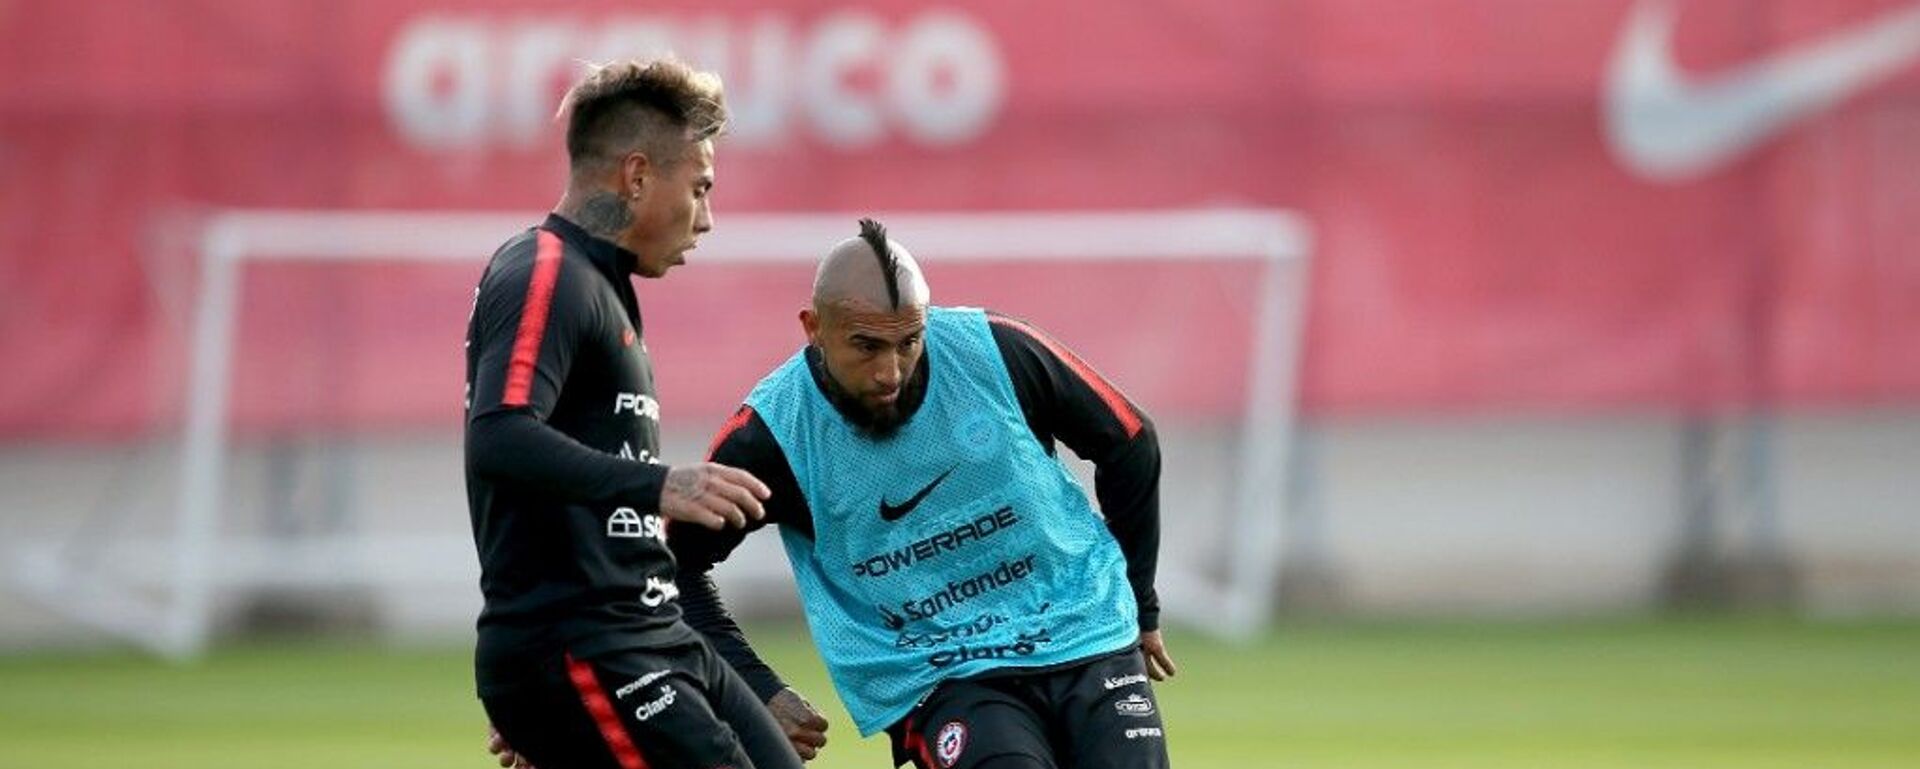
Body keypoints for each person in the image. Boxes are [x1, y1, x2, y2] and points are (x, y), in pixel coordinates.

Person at [671, 219, 1178, 769]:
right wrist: (754, 688)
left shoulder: (996, 352)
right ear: (813, 327)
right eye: (866, 346)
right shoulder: (772, 435)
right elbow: (669, 568)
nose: (890, 370)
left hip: (1087, 632)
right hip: (942, 672)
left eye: (908, 342)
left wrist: (1139, 605)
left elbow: (1131, 440)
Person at [463, 57, 802, 769]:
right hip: (586, 646)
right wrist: (659, 485)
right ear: (638, 175)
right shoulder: (546, 270)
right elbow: (498, 435)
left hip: (649, 635)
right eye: (700, 187)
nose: (707, 218)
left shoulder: (603, 290)